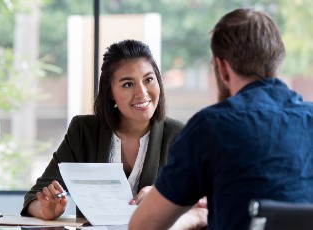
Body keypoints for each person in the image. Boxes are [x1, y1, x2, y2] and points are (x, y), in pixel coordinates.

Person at [130, 8, 313, 230]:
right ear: (278, 61)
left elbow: (143, 226)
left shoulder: (211, 127)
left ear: (223, 68)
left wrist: (195, 215)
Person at [20, 39, 189, 220]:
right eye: (128, 84)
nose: (142, 92)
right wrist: (45, 209)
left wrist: (163, 197)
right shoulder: (83, 132)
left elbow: (202, 201)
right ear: (110, 92)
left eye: (148, 79)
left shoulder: (179, 136)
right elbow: (35, 197)